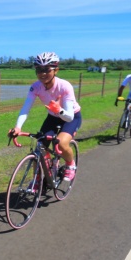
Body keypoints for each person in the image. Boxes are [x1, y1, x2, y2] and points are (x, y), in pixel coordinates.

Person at [9, 52, 82, 181]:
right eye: (39, 70)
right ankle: (38, 180)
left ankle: (70, 165)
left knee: (61, 143)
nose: (42, 73)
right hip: (52, 117)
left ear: (56, 70)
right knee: (40, 147)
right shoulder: (35, 87)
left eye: (47, 69)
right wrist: (18, 127)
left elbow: (69, 117)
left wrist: (59, 110)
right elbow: (26, 109)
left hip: (71, 117)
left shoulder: (64, 86)